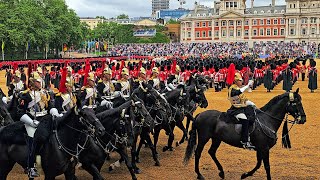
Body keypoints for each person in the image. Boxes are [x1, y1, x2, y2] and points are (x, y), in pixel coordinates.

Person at [18, 72, 52, 178]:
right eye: (38, 81)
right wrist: (30, 122)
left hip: (45, 119)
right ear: (33, 82)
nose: (40, 82)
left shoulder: (44, 92)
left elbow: (49, 106)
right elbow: (20, 112)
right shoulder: (26, 95)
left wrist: (54, 111)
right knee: (32, 142)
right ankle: (31, 167)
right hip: (32, 120)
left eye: (40, 80)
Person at [228, 73, 255, 150]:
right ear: (235, 81)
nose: (241, 82)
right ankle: (244, 141)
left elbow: (244, 100)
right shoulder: (232, 88)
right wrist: (247, 86)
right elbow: (238, 92)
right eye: (240, 81)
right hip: (235, 110)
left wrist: (252, 104)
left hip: (242, 108)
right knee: (245, 121)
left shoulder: (238, 87)